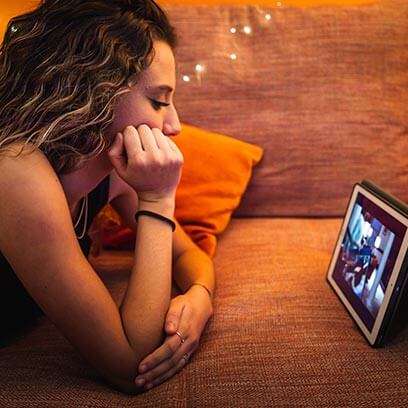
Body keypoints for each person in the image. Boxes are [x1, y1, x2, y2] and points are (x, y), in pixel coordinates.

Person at [0, 0, 215, 395]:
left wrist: (199, 296)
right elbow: (131, 361)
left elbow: (188, 255)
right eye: (159, 100)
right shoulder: (15, 171)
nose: (175, 125)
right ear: (94, 89)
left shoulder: (109, 173)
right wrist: (157, 197)